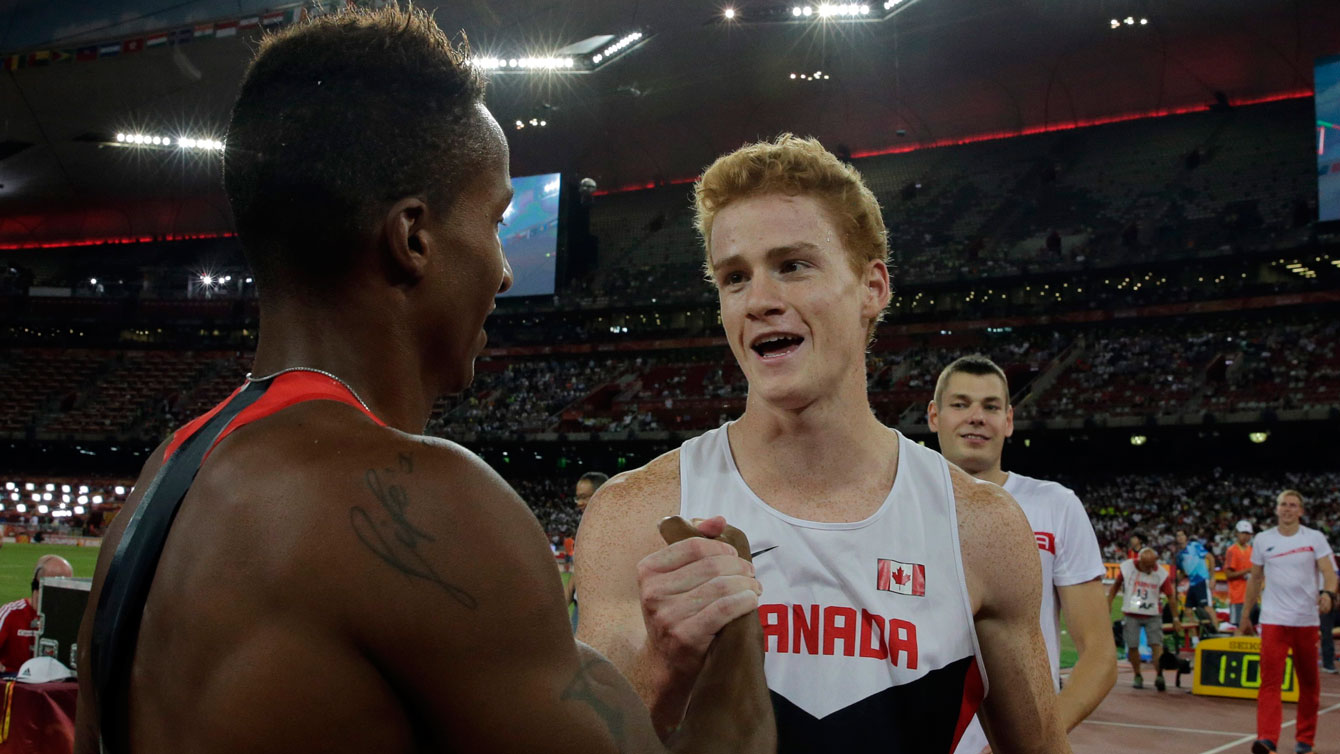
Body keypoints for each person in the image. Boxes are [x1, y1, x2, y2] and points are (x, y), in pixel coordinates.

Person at [72, 8, 775, 754]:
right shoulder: (430, 502)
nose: (505, 270)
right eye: (498, 220)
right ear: (413, 238)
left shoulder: (161, 481)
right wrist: (734, 638)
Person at [576, 134, 1068, 753]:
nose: (759, 300)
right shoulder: (633, 515)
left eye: (793, 265)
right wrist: (663, 666)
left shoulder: (981, 526)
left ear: (873, 288)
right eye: (734, 277)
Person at [928, 355, 1115, 754]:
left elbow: (1099, 657)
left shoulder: (1055, 506)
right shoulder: (896, 505)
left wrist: (1027, 742)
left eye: (990, 407)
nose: (976, 417)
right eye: (960, 404)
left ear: (1008, 421)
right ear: (934, 415)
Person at [1237, 489, 1337, 754]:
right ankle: (1267, 739)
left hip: (1306, 620)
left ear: (1301, 511)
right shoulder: (1262, 539)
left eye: (1293, 505)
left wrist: (1328, 593)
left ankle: (1305, 741)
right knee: (1269, 682)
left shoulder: (1314, 538)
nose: (1287, 509)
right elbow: (1255, 579)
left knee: (1309, 684)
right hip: (1273, 620)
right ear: (1277, 508)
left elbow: (1329, 572)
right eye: (1283, 504)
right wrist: (1245, 616)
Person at [1107, 548, 1181, 690]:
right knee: (1133, 645)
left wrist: (1176, 618)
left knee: (1156, 645)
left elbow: (1171, 597)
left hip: (1153, 613)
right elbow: (1115, 586)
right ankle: (1137, 675)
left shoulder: (1160, 573)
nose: (1150, 569)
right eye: (1147, 566)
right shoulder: (1127, 568)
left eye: (1152, 565)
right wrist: (1109, 602)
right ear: (1140, 562)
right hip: (1131, 612)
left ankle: (1159, 675)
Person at [0, 555, 73, 672]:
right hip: (15, 683)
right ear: (38, 585)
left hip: (54, 686)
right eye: (59, 584)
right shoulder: (11, 613)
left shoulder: (71, 618)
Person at [566, 471, 609, 632]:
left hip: (600, 612)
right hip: (581, 608)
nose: (579, 503)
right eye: (578, 497)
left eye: (584, 497)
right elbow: (578, 572)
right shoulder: (585, 527)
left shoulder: (617, 530)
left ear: (601, 494)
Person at [1175, 529, 1215, 629]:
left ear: (1186, 537)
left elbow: (1210, 557)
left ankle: (1217, 632)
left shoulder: (1194, 546)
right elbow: (1183, 572)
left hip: (1202, 580)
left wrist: (1212, 577)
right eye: (1177, 536)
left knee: (1208, 608)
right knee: (1188, 611)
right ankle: (1195, 639)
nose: (1180, 538)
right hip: (1192, 584)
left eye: (1182, 535)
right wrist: (1174, 583)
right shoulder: (1179, 556)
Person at [1224, 520, 1255, 627]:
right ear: (1237, 533)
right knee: (1238, 627)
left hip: (1251, 597)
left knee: (1253, 626)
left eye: (1248, 534)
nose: (1245, 536)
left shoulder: (1252, 550)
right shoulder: (1232, 550)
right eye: (1243, 533)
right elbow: (1228, 574)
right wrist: (1247, 571)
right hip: (1237, 597)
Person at [1321, 545, 1338, 674]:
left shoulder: (1330, 559)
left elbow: (1336, 578)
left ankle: (1328, 663)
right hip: (1312, 596)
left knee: (1327, 631)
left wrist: (1334, 596)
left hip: (1328, 595)